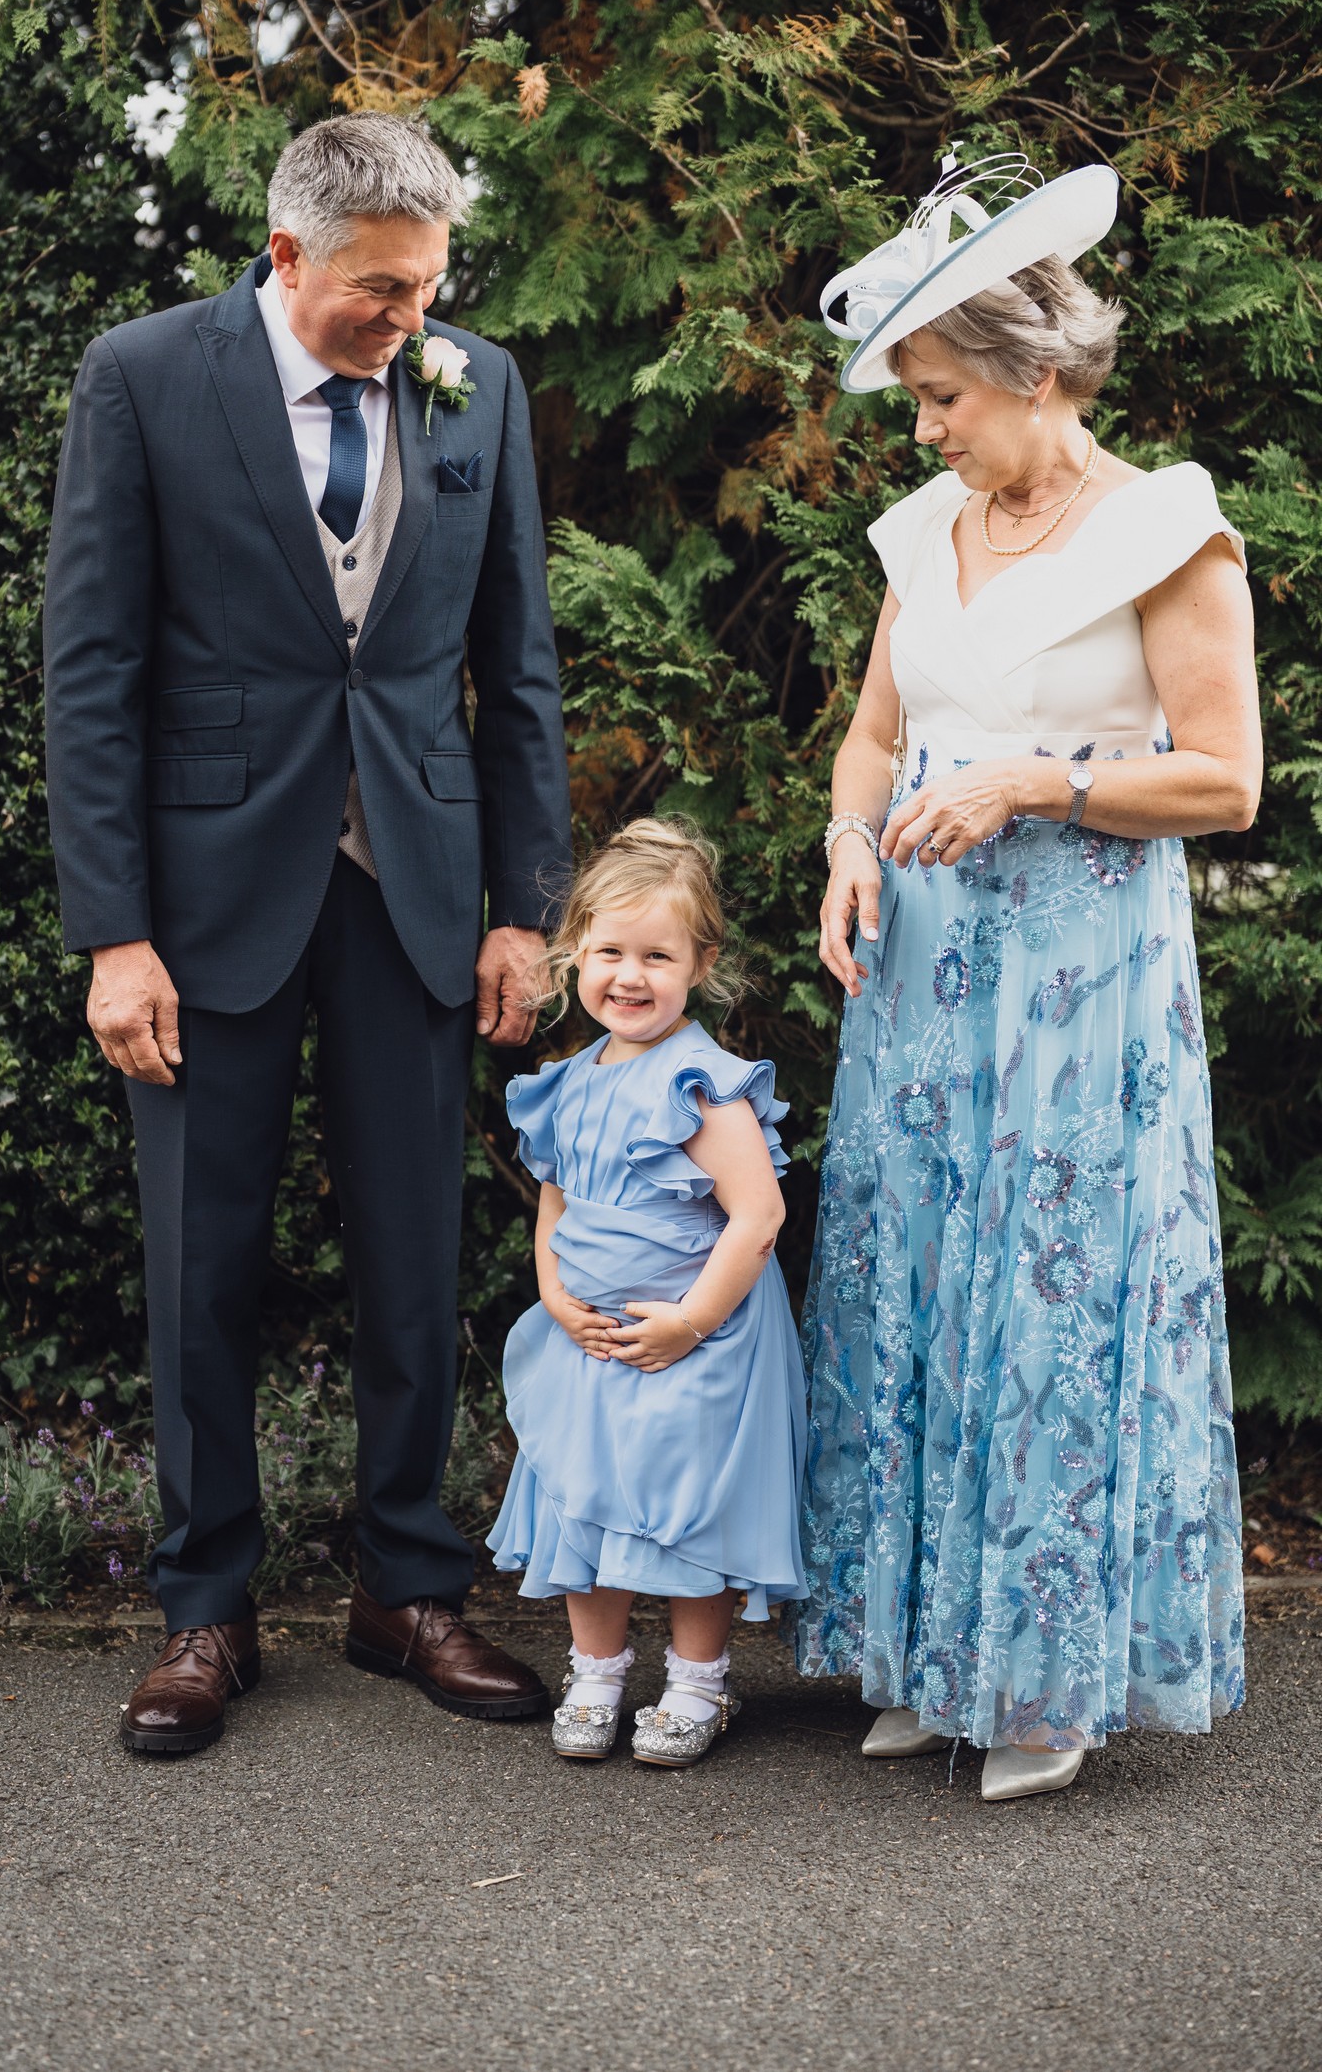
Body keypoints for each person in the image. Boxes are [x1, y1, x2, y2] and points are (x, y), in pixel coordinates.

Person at [43, 113, 572, 1753]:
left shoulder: (477, 381)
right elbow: (92, 673)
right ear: (289, 256)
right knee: (204, 1263)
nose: (410, 319)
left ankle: (408, 1588)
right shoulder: (143, 377)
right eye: (379, 291)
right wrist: (114, 934)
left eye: (426, 288)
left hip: (415, 887)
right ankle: (207, 1609)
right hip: (206, 903)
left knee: (416, 1257)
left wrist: (523, 909)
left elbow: (518, 666)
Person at [799, 153, 1259, 1800]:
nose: (921, 429)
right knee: (922, 1280)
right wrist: (852, 846)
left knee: (1050, 1296)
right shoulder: (924, 531)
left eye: (940, 398)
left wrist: (1033, 782)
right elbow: (871, 737)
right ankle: (931, 1650)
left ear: (1037, 376)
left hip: (1080, 972)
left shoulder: (1166, 527)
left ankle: (1049, 1677)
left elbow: (1224, 780)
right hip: (924, 961)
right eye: (915, 399)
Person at [487, 819, 808, 1767]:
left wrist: (693, 1322)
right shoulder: (567, 1083)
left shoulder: (703, 1086)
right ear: (573, 951)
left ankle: (698, 1684)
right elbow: (555, 1201)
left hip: (691, 1337)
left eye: (657, 956)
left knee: (686, 1508)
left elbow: (756, 1217)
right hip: (588, 1338)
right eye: (610, 951)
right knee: (584, 1496)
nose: (630, 976)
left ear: (700, 963)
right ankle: (596, 1670)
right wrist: (551, 1287)